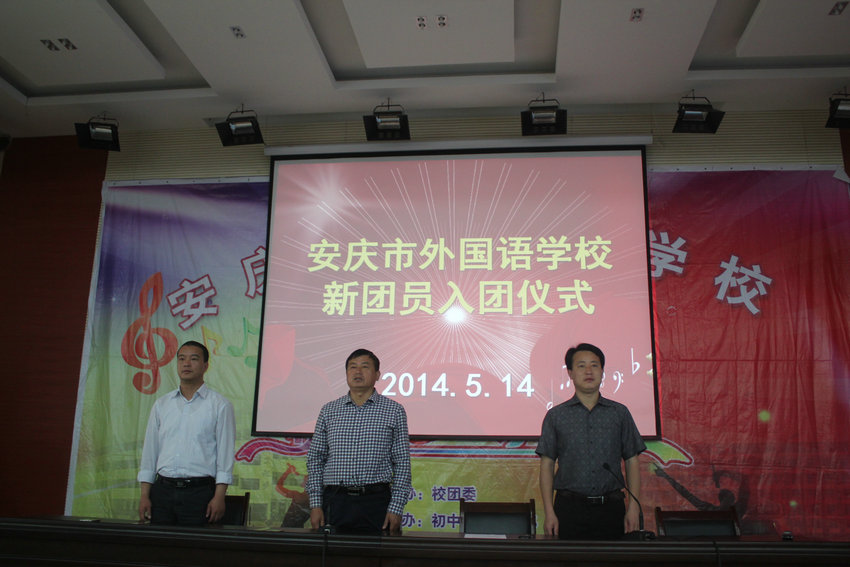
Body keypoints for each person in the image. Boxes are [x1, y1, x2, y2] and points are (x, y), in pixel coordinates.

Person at [536, 342, 646, 539]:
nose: (589, 371)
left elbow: (631, 460)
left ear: (602, 372)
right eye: (581, 366)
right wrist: (549, 511)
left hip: (611, 509)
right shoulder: (556, 416)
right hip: (569, 509)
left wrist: (633, 507)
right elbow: (547, 465)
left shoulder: (619, 413)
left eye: (594, 365)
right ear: (570, 373)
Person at [306, 348, 411, 535]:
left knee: (375, 552)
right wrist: (315, 504)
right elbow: (315, 459)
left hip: (376, 502)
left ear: (377, 375)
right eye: (352, 367)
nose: (358, 372)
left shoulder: (394, 411)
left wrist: (396, 508)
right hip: (335, 500)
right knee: (334, 552)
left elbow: (402, 463)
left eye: (365, 367)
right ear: (346, 373)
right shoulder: (329, 411)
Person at [137, 340, 236, 525]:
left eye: (194, 359)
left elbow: (225, 456)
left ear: (205, 366)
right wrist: (144, 495)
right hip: (162, 492)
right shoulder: (162, 405)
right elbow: (150, 452)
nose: (186, 364)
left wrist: (219, 496)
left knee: (196, 543)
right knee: (158, 543)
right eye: (182, 359)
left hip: (199, 494)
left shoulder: (220, 405)